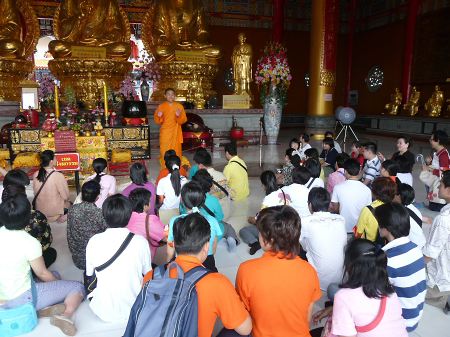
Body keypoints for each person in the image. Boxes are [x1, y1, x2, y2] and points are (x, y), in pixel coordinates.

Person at [143, 213, 252, 337]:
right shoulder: (217, 283)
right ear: (206, 246)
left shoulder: (151, 276)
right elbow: (245, 329)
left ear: (174, 244)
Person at [0, 195, 85, 336]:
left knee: (55, 275)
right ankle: (65, 314)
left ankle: (41, 309)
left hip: (3, 292)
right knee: (76, 286)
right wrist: (61, 285)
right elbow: (42, 273)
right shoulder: (29, 242)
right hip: (19, 298)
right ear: (28, 218)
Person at [234, 206, 321, 337]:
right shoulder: (309, 270)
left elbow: (242, 318)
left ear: (268, 239)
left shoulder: (246, 270)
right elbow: (307, 318)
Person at [312, 239, 408, 337]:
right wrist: (333, 309)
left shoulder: (343, 296)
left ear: (351, 265)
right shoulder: (389, 290)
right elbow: (366, 309)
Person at [85, 195, 151, 322]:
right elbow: (147, 273)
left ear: (104, 216)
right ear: (129, 216)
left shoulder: (93, 241)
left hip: (104, 310)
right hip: (135, 308)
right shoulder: (140, 241)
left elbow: (89, 274)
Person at [374, 202, 426, 332]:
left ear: (385, 229)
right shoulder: (415, 248)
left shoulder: (389, 260)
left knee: (335, 292)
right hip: (414, 315)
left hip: (399, 322)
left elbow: (372, 295)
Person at [167, 182, 223, 272]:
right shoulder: (212, 220)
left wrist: (168, 266)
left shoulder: (175, 221)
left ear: (182, 200)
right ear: (203, 200)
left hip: (181, 264)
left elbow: (169, 250)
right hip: (207, 262)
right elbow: (213, 249)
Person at [300, 188, 347, 290]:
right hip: (340, 279)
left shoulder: (305, 222)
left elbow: (300, 244)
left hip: (319, 282)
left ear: (310, 205)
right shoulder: (341, 219)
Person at [2, 184, 56, 268]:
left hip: (6, 264)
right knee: (52, 252)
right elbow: (47, 240)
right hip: (28, 265)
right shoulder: (36, 216)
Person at [241, 171, 291, 255]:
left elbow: (258, 220)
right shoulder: (284, 193)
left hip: (273, 230)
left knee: (243, 230)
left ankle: (255, 242)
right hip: (286, 229)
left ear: (263, 185)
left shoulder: (268, 199)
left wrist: (250, 218)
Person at [422, 170, 450, 311]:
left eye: (441, 184)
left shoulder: (443, 219)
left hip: (441, 281)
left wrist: (409, 269)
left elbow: (429, 255)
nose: (438, 187)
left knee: (399, 287)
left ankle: (444, 298)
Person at [67, 181, 107, 270]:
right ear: (98, 197)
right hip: (97, 260)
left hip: (78, 259)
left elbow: (69, 233)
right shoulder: (100, 213)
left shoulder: (72, 209)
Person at [332, 158, 372, 233]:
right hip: (360, 231)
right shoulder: (367, 190)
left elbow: (336, 209)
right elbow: (368, 211)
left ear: (345, 171)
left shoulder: (337, 187)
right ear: (359, 171)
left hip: (344, 229)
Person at [127, 188, 165, 261]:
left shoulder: (126, 218)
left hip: (130, 258)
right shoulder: (150, 220)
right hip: (146, 259)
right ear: (145, 206)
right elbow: (166, 237)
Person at [192, 150, 232, 221]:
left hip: (213, 216)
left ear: (201, 165)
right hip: (226, 212)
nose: (197, 167)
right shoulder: (222, 175)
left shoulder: (201, 179)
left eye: (197, 165)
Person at [32, 150, 70, 223]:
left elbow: (35, 192)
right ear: (51, 161)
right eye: (55, 158)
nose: (57, 160)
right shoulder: (58, 176)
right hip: (55, 210)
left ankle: (47, 217)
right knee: (69, 204)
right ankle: (57, 216)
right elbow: (65, 197)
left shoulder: (36, 174)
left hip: (39, 210)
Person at [355, 177, 397, 242]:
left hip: (369, 246)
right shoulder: (395, 209)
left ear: (374, 193)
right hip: (386, 246)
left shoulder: (367, 210)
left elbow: (357, 233)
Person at [154, 88, 188, 169]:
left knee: (176, 151)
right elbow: (157, 121)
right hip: (165, 132)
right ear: (165, 96)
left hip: (175, 132)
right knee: (164, 151)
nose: (170, 96)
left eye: (172, 94)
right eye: (168, 94)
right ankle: (165, 167)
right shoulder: (161, 106)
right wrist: (159, 116)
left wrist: (178, 115)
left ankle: (176, 167)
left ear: (175, 96)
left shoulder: (179, 106)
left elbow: (183, 120)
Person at [156, 155, 188, 225]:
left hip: (165, 211)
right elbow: (183, 198)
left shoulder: (162, 181)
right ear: (179, 166)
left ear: (166, 167)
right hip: (179, 210)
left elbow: (161, 199)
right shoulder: (184, 180)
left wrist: (158, 206)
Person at [397, 183, 426, 250]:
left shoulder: (401, 213)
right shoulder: (412, 208)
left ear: (399, 197)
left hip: (412, 248)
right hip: (421, 244)